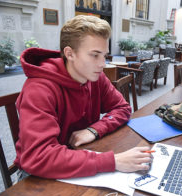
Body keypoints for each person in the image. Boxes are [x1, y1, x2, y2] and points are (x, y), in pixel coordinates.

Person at [15, 15, 152, 179]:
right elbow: (39, 157)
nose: (102, 64)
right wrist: (113, 161)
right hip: (37, 176)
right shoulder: (39, 89)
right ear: (70, 53)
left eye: (104, 55)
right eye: (95, 55)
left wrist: (93, 130)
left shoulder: (95, 76)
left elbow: (122, 108)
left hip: (82, 156)